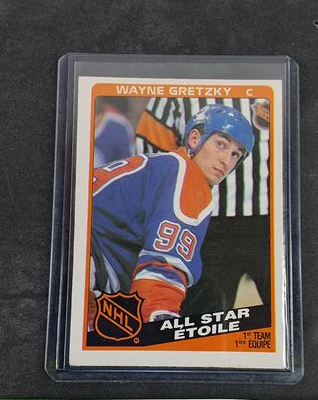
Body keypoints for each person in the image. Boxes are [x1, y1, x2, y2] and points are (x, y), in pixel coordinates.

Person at [89, 104, 254, 324]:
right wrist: (160, 323)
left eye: (235, 154)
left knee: (204, 289)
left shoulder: (165, 165)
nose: (226, 160)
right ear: (194, 139)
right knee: (206, 296)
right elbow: (163, 267)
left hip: (75, 242)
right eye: (221, 144)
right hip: (80, 255)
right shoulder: (188, 178)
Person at [135, 97, 271, 315]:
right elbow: (151, 158)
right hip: (201, 226)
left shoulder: (272, 89)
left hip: (270, 226)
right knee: (202, 322)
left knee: (290, 314)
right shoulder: (174, 95)